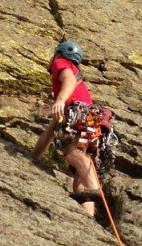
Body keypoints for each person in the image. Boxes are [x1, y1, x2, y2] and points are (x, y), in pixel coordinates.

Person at [33, 41, 101, 217]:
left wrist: (61, 99)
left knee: (74, 154)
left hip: (82, 116)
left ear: (58, 54)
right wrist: (32, 159)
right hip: (91, 120)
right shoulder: (74, 94)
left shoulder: (61, 62)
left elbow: (69, 80)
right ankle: (88, 216)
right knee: (78, 180)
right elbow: (50, 131)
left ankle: (94, 189)